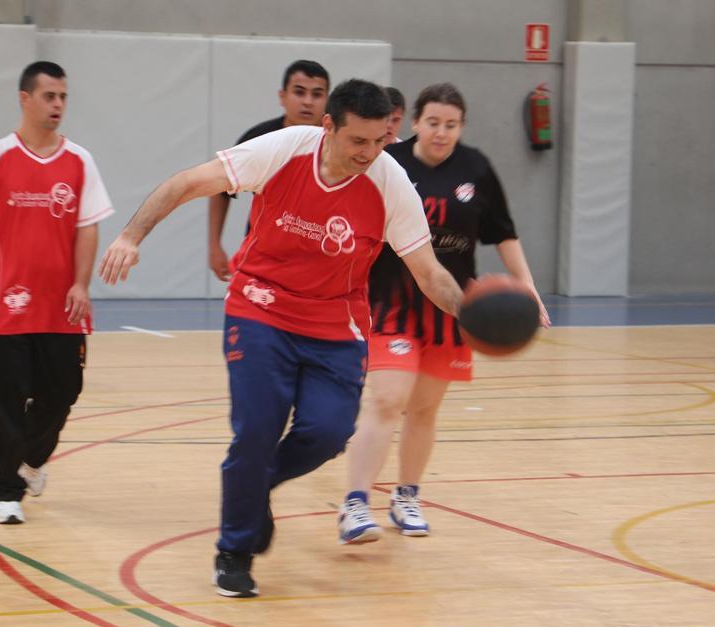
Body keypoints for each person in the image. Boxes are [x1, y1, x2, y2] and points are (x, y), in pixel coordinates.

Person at [99, 79, 465, 598]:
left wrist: (470, 314)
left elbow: (428, 272)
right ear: (328, 127)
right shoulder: (282, 150)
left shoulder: (390, 182)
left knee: (328, 433)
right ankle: (234, 550)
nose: (369, 153)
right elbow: (186, 182)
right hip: (260, 306)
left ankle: (257, 484)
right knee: (256, 430)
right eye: (357, 141)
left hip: (335, 324)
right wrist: (130, 236)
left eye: (379, 141)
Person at [339, 83, 551, 543]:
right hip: (391, 302)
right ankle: (355, 504)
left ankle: (406, 496)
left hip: (452, 308)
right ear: (415, 122)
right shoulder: (388, 163)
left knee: (424, 409)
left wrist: (528, 287)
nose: (441, 132)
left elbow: (503, 233)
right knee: (387, 399)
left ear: (462, 127)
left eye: (451, 125)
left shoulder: (477, 169)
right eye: (433, 122)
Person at [0, 61, 114, 525]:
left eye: (63, 97)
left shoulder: (80, 161)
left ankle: (31, 462)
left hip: (61, 307)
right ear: (25, 98)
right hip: (3, 305)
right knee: (4, 402)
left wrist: (81, 284)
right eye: (49, 96)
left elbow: (87, 228)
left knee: (63, 392)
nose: (58, 105)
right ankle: (7, 491)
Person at [207, 60, 330, 281]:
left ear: (327, 100)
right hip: (262, 254)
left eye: (317, 94)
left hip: (319, 256)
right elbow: (220, 189)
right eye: (299, 92)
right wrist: (214, 244)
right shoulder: (260, 138)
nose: (308, 101)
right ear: (283, 96)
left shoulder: (338, 142)